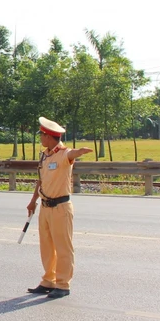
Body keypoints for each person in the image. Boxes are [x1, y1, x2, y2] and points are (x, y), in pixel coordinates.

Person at [26, 116, 93, 299]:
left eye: (41, 134)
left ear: (49, 136)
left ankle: (63, 284)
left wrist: (79, 152)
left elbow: (71, 154)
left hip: (61, 207)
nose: (40, 137)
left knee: (63, 247)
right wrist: (33, 201)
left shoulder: (63, 153)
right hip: (45, 207)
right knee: (46, 246)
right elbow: (40, 180)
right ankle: (49, 280)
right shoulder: (45, 155)